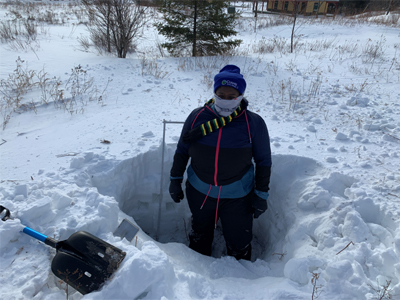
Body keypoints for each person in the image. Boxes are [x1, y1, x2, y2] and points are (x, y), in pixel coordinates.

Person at [169, 64, 272, 261]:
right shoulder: (197, 116)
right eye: (221, 95)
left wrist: (261, 194)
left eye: (231, 96)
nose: (225, 100)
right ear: (214, 92)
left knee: (239, 243)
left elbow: (264, 160)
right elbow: (183, 150)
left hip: (237, 196)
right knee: (199, 237)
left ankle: (243, 281)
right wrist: (175, 179)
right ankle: (198, 274)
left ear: (240, 95)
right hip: (200, 192)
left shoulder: (253, 123)